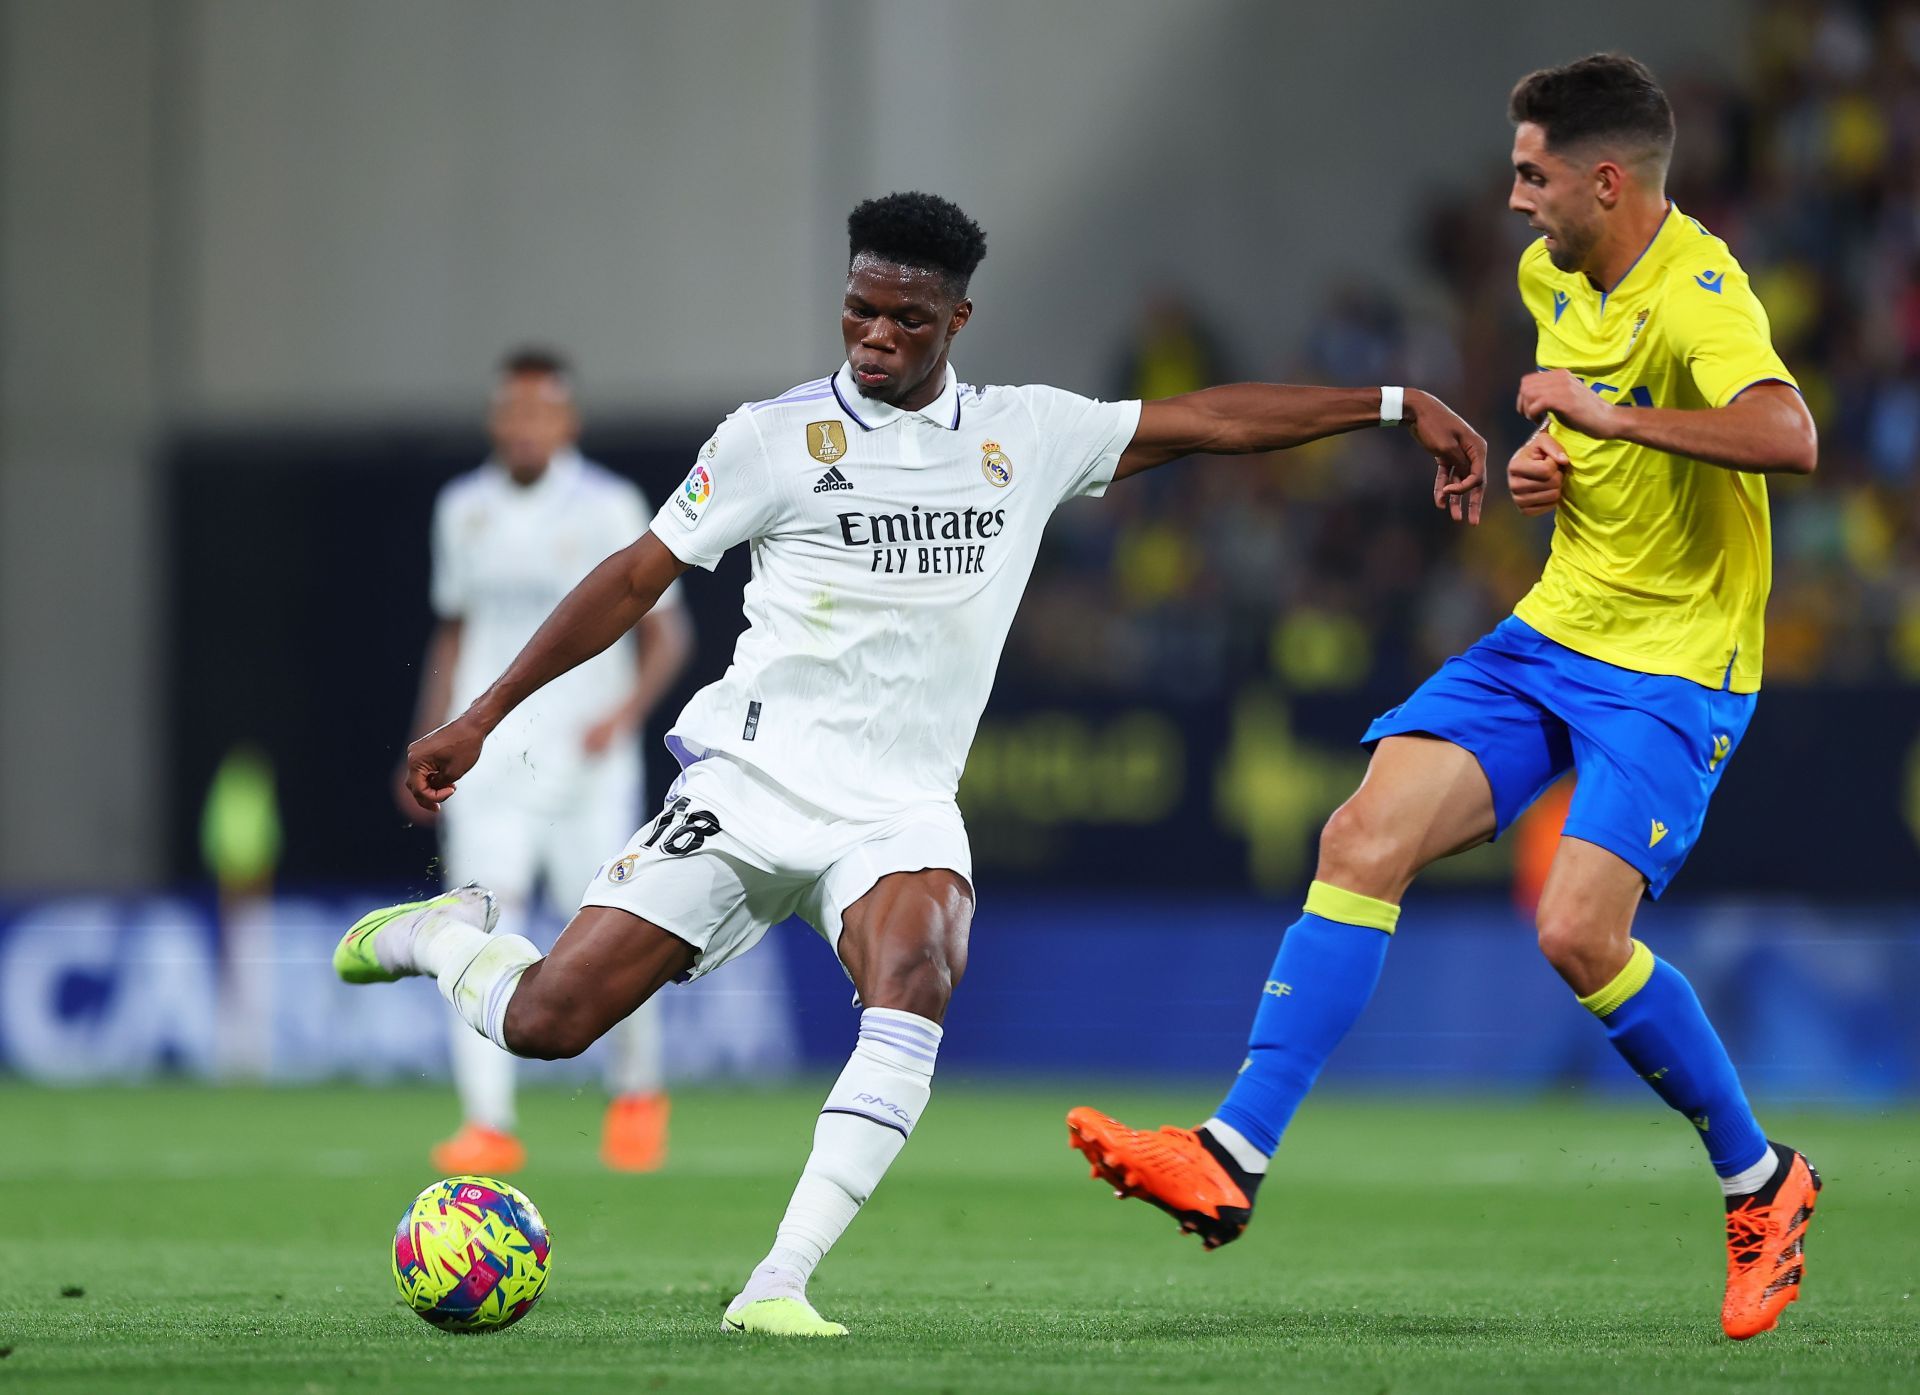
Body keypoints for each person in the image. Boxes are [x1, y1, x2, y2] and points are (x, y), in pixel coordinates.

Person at [336, 192, 1486, 1336]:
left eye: (906, 320)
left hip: (896, 811)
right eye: (859, 312)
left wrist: (1394, 403)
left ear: (958, 321)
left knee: (922, 969)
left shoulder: (1024, 435)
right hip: (746, 789)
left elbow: (1211, 422)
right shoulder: (771, 440)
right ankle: (443, 933)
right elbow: (636, 577)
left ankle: (777, 1285)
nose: (876, 338)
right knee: (546, 1021)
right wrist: (482, 713)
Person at [1068, 54, 1822, 1343]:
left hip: (1679, 663)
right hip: (1553, 630)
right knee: (1361, 834)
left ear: (1604, 179)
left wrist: (1609, 418)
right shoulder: (1546, 275)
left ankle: (1763, 1184)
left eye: (1533, 175)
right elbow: (1587, 427)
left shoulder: (1701, 293)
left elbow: (1787, 436)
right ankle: (1232, 1155)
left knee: (1578, 935)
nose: (1515, 197)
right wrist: (1553, 457)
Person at [397, 347, 693, 1175]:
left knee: (614, 932)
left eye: (541, 412)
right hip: (493, 766)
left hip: (588, 765)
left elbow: (668, 632)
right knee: (476, 921)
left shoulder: (606, 505)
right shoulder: (463, 509)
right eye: (512, 412)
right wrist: (432, 731)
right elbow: (453, 629)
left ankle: (637, 1095)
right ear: (497, 420)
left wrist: (622, 716)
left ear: (567, 421)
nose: (525, 426)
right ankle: (487, 1121)